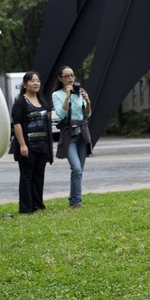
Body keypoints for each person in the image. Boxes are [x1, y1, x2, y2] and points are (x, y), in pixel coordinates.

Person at [11, 71, 53, 214]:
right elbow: (17, 124)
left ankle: (37, 204)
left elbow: (46, 118)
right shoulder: (20, 102)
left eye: (37, 80)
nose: (36, 83)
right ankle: (26, 208)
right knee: (26, 176)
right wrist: (22, 144)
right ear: (24, 85)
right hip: (28, 146)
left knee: (38, 176)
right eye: (32, 81)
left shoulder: (42, 100)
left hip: (42, 146)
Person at [52, 66, 92, 209]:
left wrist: (87, 101)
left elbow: (87, 114)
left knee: (79, 170)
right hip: (69, 135)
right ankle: (77, 202)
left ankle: (73, 200)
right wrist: (67, 97)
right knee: (76, 168)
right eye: (67, 76)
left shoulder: (79, 92)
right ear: (60, 78)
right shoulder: (57, 95)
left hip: (83, 133)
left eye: (72, 75)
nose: (70, 78)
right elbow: (61, 115)